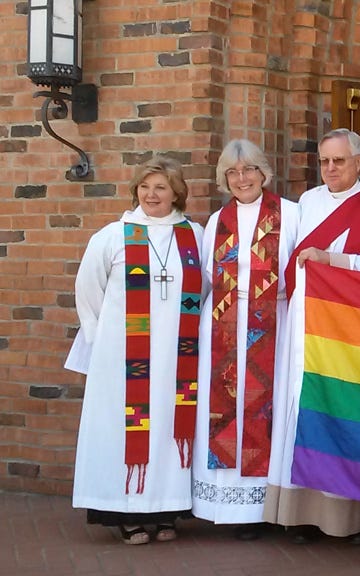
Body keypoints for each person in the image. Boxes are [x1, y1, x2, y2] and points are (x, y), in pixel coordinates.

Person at [65, 156, 207, 545]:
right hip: (124, 358)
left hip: (178, 357)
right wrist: (102, 341)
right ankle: (125, 512)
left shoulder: (194, 235)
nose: (151, 194)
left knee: (167, 430)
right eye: (145, 187)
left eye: (160, 187)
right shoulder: (114, 235)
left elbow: (206, 289)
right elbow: (87, 291)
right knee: (124, 430)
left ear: (176, 192)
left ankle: (165, 510)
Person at [264, 128, 360, 544]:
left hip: (345, 327)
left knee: (342, 410)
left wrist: (330, 259)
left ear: (359, 162)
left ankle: (346, 520)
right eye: (324, 161)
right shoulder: (307, 202)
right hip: (303, 321)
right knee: (300, 407)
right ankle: (301, 515)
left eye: (338, 160)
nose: (330, 168)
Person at [191, 140, 299, 540]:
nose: (242, 179)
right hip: (223, 322)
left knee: (265, 408)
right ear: (224, 179)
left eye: (249, 169)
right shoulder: (216, 222)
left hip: (275, 323)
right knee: (226, 409)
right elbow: (204, 278)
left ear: (264, 173)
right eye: (233, 173)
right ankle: (225, 505)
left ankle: (262, 505)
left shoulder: (290, 214)